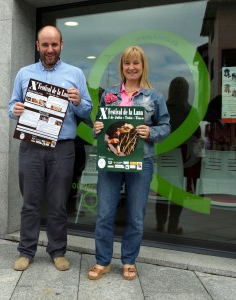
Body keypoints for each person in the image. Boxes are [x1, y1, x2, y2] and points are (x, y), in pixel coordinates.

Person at [9, 25, 92, 271]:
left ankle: (57, 251)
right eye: (45, 45)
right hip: (31, 145)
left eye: (54, 44)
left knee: (58, 203)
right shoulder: (24, 73)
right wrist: (15, 111)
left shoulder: (75, 73)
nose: (49, 49)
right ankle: (26, 251)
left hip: (63, 148)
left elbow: (87, 111)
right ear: (37, 45)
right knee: (30, 202)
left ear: (62, 45)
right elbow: (13, 104)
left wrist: (78, 102)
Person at [88, 46, 170, 281]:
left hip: (140, 160)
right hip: (111, 159)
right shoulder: (109, 94)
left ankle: (128, 260)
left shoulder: (154, 96)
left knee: (135, 215)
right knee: (104, 214)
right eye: (127, 63)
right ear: (121, 66)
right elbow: (100, 124)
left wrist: (150, 131)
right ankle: (102, 261)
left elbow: (165, 126)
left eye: (136, 63)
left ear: (143, 66)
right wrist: (97, 128)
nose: (131, 67)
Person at [156, 77, 202, 234]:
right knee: (178, 192)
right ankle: (173, 225)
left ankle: (159, 224)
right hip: (183, 160)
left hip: (164, 157)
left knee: (161, 192)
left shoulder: (162, 108)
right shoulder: (190, 112)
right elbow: (197, 136)